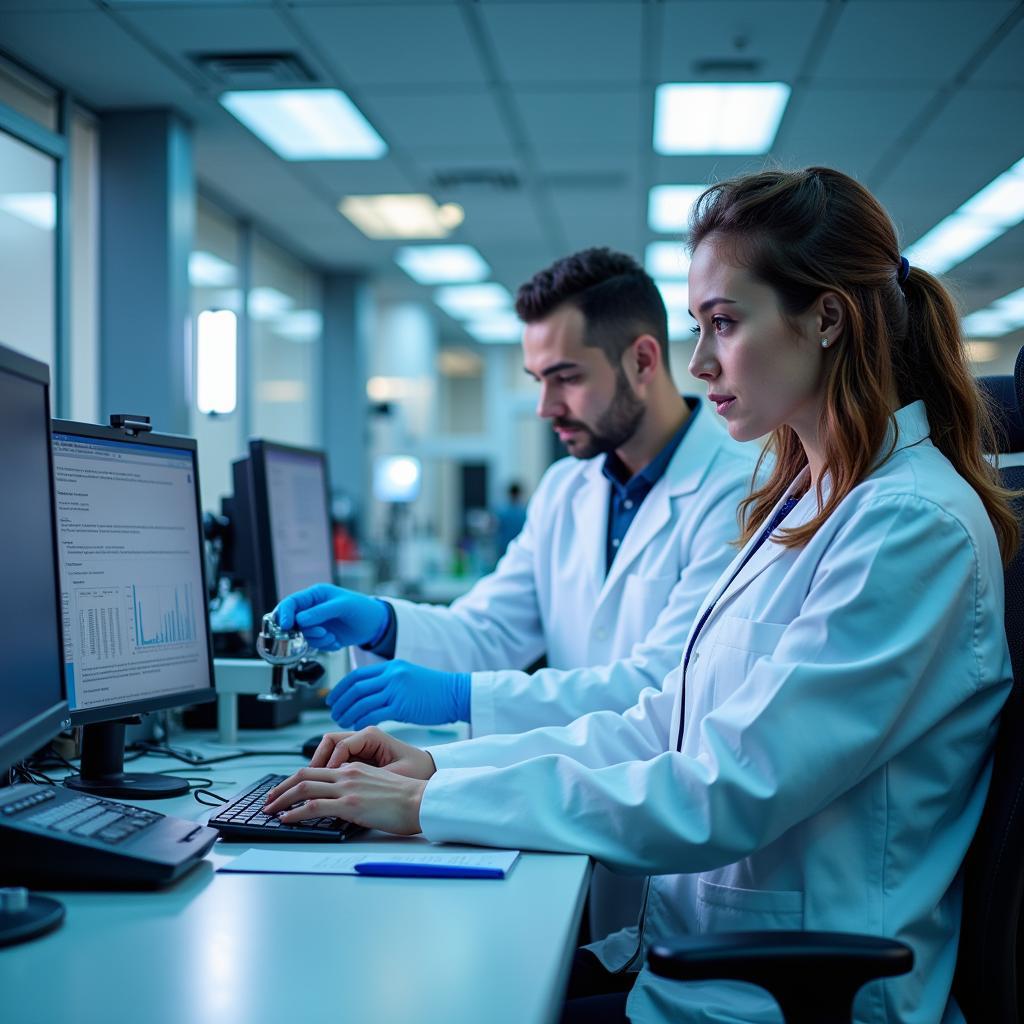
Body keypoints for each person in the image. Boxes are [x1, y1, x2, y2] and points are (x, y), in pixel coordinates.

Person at [266, 167, 1017, 1024]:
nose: (701, 362)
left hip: (796, 993)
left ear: (827, 318)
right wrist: (438, 766)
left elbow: (727, 786)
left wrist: (430, 803)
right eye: (699, 326)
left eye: (724, 324)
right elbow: (667, 718)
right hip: (707, 959)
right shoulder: (809, 499)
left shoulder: (908, 526)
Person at [278, 248, 755, 940]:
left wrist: (459, 699)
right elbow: (490, 630)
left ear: (644, 361)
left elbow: (661, 690)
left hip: (667, 855)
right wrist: (382, 622)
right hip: (570, 824)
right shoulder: (568, 488)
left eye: (565, 378)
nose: (545, 407)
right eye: (537, 379)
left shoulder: (738, 489)